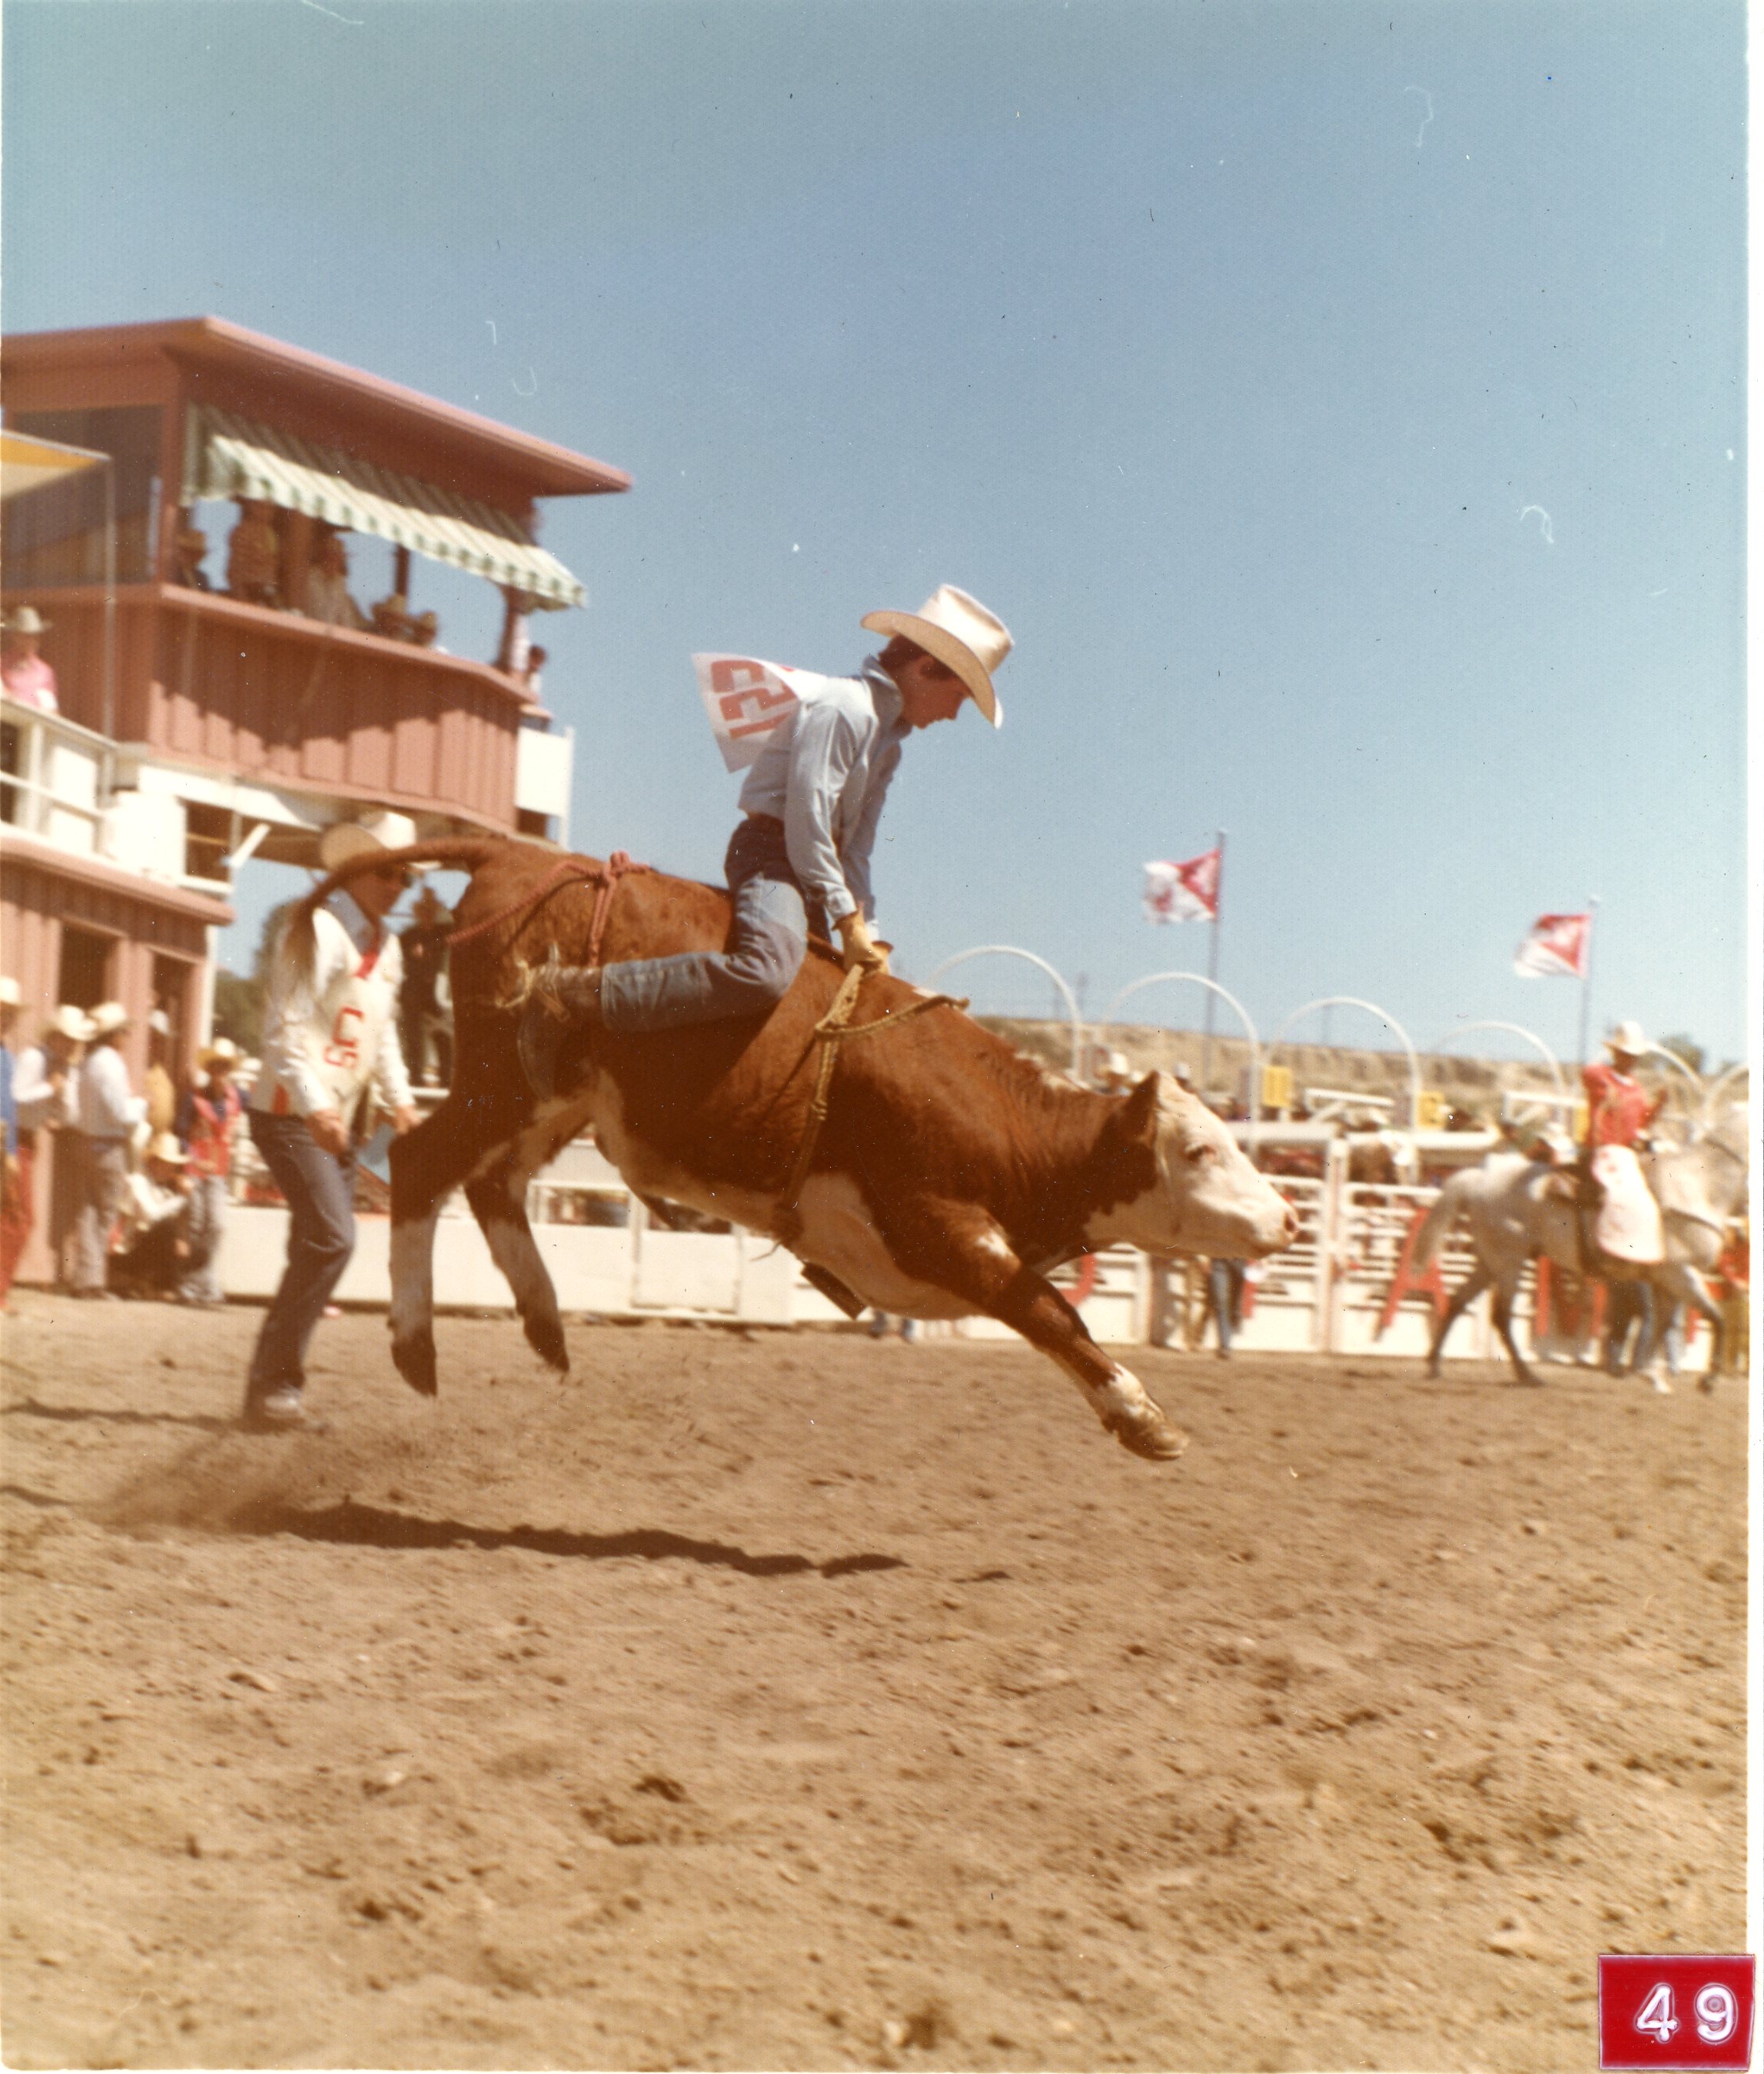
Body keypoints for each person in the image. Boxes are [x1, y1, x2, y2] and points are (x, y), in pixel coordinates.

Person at [518, 584, 1011, 1095]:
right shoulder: (844, 708)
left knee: (834, 999)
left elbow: (857, 849)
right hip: (769, 851)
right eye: (958, 696)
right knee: (766, 971)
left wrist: (869, 930)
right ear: (927, 668)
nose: (953, 714)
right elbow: (807, 822)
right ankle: (573, 995)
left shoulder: (888, 747)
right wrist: (845, 918)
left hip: (813, 869)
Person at [243, 810, 421, 1429]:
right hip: (291, 1111)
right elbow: (283, 1028)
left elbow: (382, 1032)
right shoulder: (317, 929)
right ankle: (276, 1385)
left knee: (320, 1242)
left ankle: (268, 1391)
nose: (397, 887)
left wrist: (400, 1098)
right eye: (387, 873)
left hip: (335, 1118)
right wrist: (315, 1103)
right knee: (332, 1239)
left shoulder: (386, 945)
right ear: (354, 870)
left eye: (405, 877)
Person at [2, 1005, 85, 1304]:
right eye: (66, 1039)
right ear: (52, 1036)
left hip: (29, 1141)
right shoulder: (34, 1059)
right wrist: (49, 1088)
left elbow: (69, 1115)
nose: (71, 1046)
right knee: (21, 1217)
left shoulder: (62, 1067)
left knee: (15, 1216)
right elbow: (15, 1097)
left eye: (75, 1041)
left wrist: (59, 1101)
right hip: (14, 1139)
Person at [68, 1002, 146, 1299]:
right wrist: (143, 1105)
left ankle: (84, 1278)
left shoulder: (86, 1062)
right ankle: (92, 1279)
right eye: (124, 1031)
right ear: (114, 1034)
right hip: (107, 1145)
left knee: (87, 1212)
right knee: (105, 1214)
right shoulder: (112, 1064)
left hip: (83, 1141)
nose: (127, 1036)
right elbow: (119, 1112)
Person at [175, 1038, 244, 1307]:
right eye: (215, 1067)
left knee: (216, 1225)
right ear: (208, 1069)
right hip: (195, 1169)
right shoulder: (193, 1098)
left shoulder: (239, 1097)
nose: (220, 1072)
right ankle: (196, 1286)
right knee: (196, 1225)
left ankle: (201, 1282)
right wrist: (192, 1160)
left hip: (219, 1171)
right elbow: (181, 1134)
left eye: (224, 1067)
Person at [110, 1132, 194, 1298]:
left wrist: (181, 1238)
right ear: (153, 1162)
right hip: (126, 1250)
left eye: (173, 1165)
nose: (170, 1170)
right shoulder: (137, 1182)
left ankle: (155, 1284)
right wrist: (182, 1198)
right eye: (166, 1164)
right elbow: (153, 1215)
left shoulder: (165, 1188)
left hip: (146, 1246)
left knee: (199, 1251)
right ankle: (165, 1286)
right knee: (167, 1227)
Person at [398, 885, 454, 1089]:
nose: (427, 914)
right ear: (417, 913)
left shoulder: (444, 932)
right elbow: (401, 963)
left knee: (443, 1034)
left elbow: (459, 925)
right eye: (423, 910)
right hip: (413, 990)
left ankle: (447, 1079)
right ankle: (416, 1078)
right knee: (413, 1035)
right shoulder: (407, 936)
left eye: (431, 910)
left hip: (434, 993)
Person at [304, 530, 367, 630]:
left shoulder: (340, 584)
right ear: (322, 557)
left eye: (337, 559)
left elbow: (346, 618)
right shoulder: (309, 578)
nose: (333, 562)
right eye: (330, 557)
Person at [2, 606, 60, 713]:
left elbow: (51, 709)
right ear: (15, 636)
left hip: (34, 722)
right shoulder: (2, 665)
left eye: (34, 636)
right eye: (26, 636)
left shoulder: (44, 672)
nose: (31, 641)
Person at [225, 499, 281, 606]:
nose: (266, 512)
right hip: (248, 591)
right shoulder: (243, 531)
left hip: (267, 592)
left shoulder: (271, 534)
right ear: (252, 507)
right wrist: (241, 598)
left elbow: (272, 567)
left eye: (270, 508)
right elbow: (235, 568)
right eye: (262, 507)